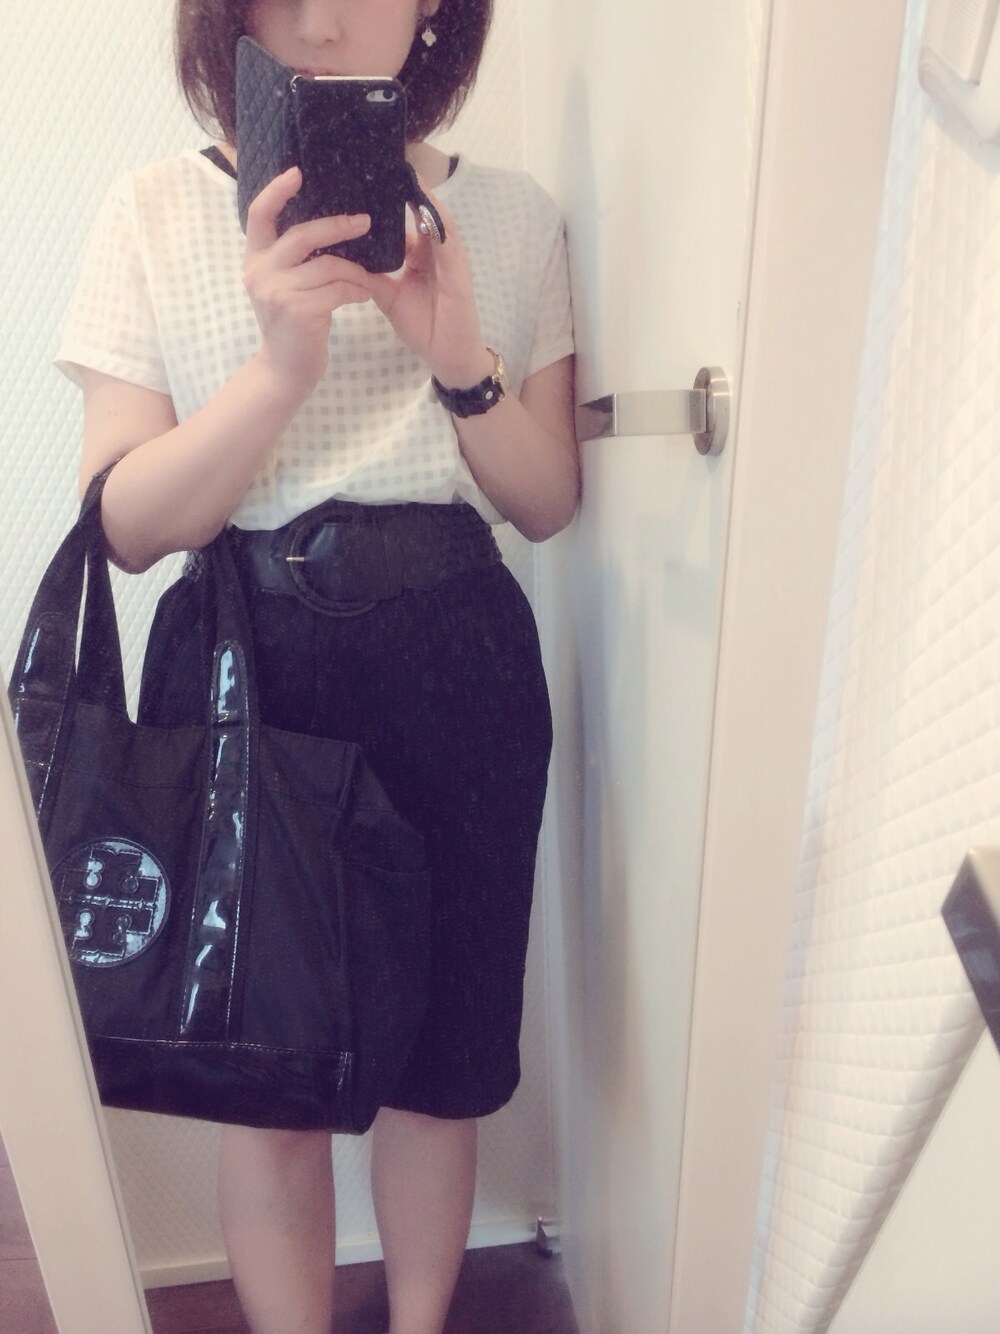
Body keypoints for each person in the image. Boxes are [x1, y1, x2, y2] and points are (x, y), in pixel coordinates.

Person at [54, 0, 577, 1330]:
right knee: (269, 1076)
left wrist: (460, 365)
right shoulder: (154, 212)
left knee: (443, 1070)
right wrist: (280, 367)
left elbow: (547, 500)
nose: (326, 21)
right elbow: (124, 526)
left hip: (459, 661)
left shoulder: (513, 216)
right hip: (249, 675)